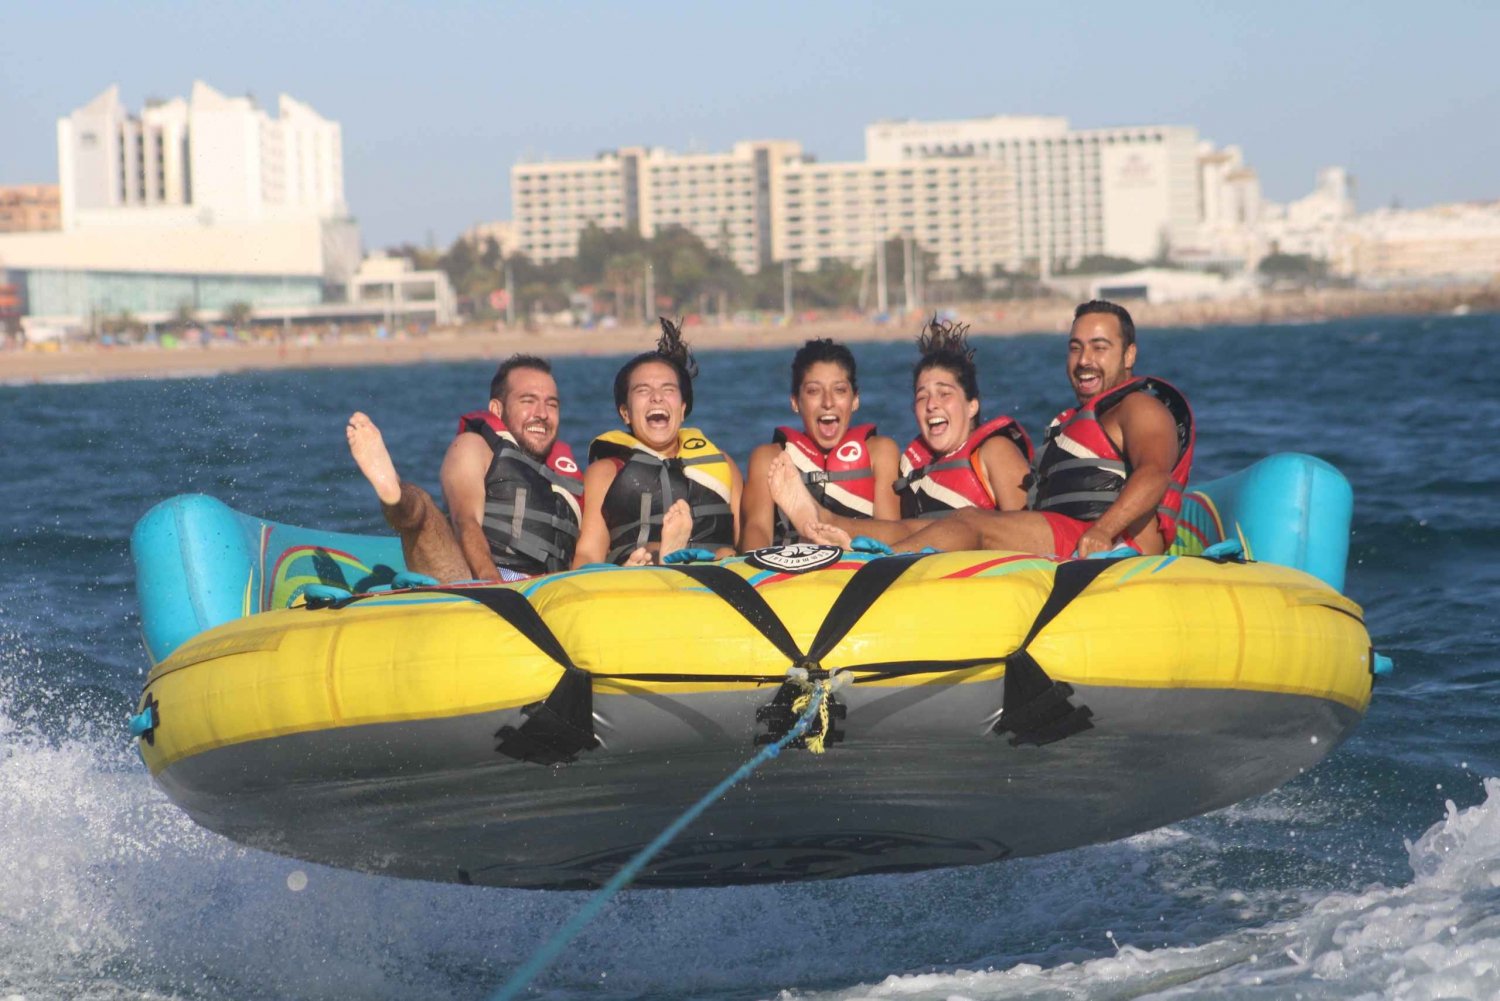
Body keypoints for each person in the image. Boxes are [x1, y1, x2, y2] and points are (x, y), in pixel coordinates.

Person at [778, 300, 1194, 558]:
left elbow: (1154, 473)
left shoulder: (1140, 406)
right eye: (1075, 347)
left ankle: (875, 568)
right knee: (915, 528)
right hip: (1067, 534)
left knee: (971, 521)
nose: (1085, 359)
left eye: (1100, 347)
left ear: (1129, 355)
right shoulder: (1073, 422)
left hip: (1109, 544)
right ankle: (825, 522)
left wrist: (1104, 532)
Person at [765, 317, 1033, 547]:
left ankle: (824, 521)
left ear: (972, 405)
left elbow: (1025, 535)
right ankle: (831, 528)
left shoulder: (994, 451)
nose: (932, 404)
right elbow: (898, 530)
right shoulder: (911, 470)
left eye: (944, 393)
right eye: (922, 396)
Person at [346, 354, 583, 582]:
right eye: (528, 401)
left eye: (551, 405)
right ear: (496, 409)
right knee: (424, 509)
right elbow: (465, 520)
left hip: (549, 589)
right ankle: (395, 495)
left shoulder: (569, 478)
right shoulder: (474, 447)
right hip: (471, 578)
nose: (542, 414)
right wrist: (493, 583)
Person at [572, 318, 744, 567]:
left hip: (714, 578)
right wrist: (612, 576)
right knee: (648, 552)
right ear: (625, 413)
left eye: (668, 389)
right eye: (643, 390)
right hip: (641, 579)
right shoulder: (607, 472)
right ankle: (663, 558)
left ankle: (675, 559)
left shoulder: (723, 465)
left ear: (683, 409)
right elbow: (588, 554)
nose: (656, 398)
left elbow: (745, 540)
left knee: (726, 553)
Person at [737, 338, 901, 551]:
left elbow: (893, 531)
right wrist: (757, 566)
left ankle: (829, 529)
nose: (828, 402)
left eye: (840, 390)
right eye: (814, 391)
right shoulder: (770, 459)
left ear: (855, 400)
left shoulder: (880, 453)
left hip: (860, 569)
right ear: (795, 401)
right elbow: (756, 528)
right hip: (791, 573)